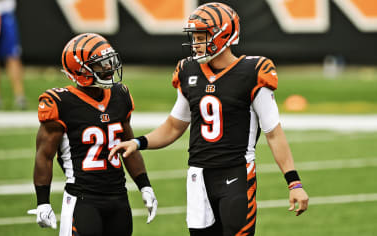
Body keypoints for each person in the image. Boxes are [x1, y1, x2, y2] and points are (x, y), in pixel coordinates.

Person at [109, 2, 309, 236]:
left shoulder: (253, 71)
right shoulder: (188, 71)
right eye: (194, 36)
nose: (196, 43)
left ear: (224, 35)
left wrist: (294, 182)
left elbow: (273, 133)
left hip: (236, 172)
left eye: (202, 36)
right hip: (198, 176)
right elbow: (174, 125)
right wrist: (139, 142)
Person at [28, 33, 158, 236]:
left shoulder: (119, 95)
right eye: (100, 65)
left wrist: (145, 186)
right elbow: (44, 156)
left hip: (119, 199)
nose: (109, 68)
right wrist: (43, 202)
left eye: (109, 61)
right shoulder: (61, 103)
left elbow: (128, 146)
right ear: (79, 70)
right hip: (83, 200)